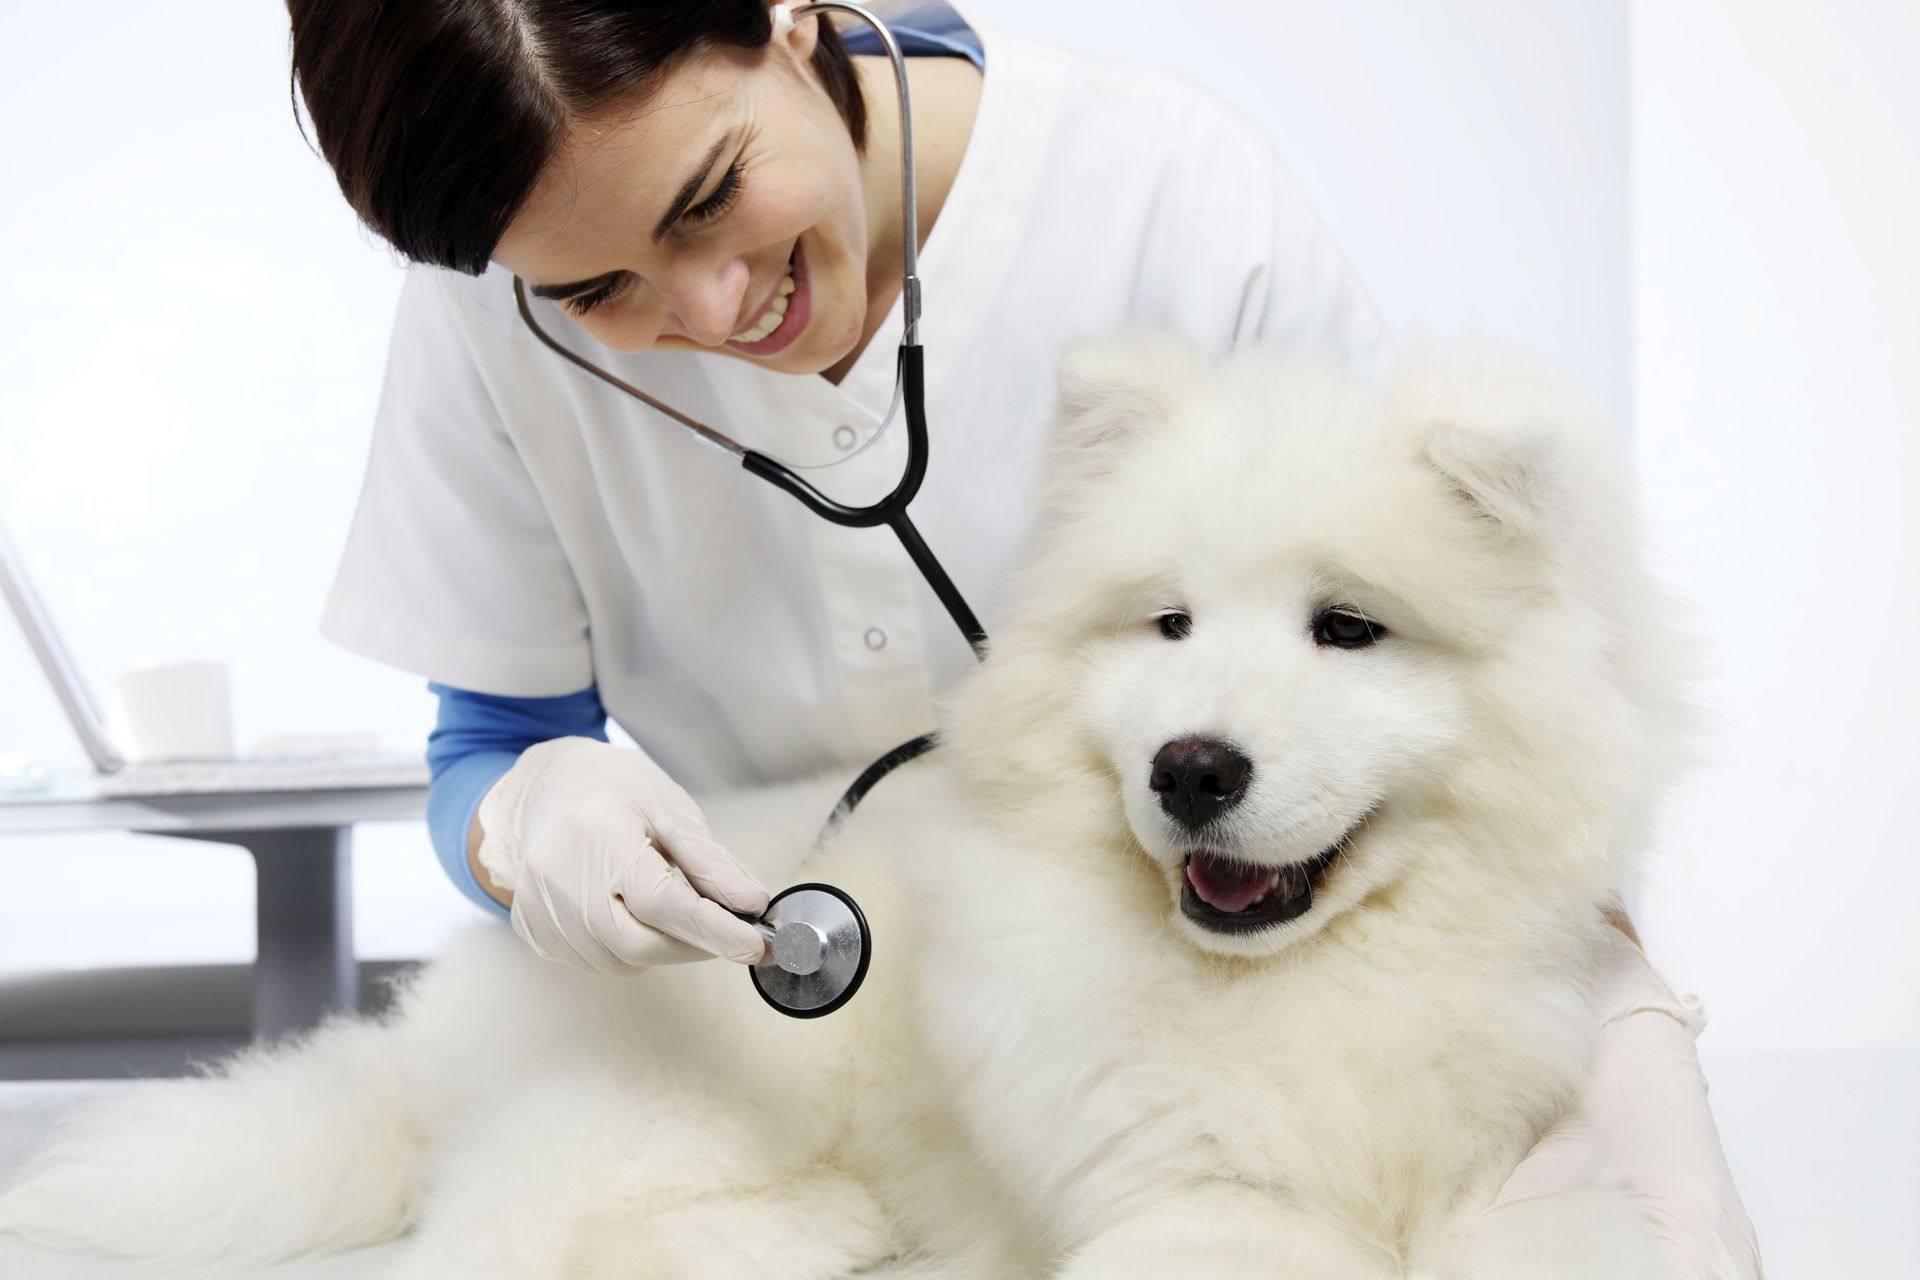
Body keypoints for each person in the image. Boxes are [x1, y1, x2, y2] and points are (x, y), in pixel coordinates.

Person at [287, 2, 1760, 1272]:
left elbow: (1459, 622)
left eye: (709, 196)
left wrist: (1617, 1003)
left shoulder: (1160, 187)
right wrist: (533, 815)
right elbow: (490, 745)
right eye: (596, 287)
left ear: (791, 17)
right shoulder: (489, 310)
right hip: (787, 990)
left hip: (1211, 984)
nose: (711, 305)